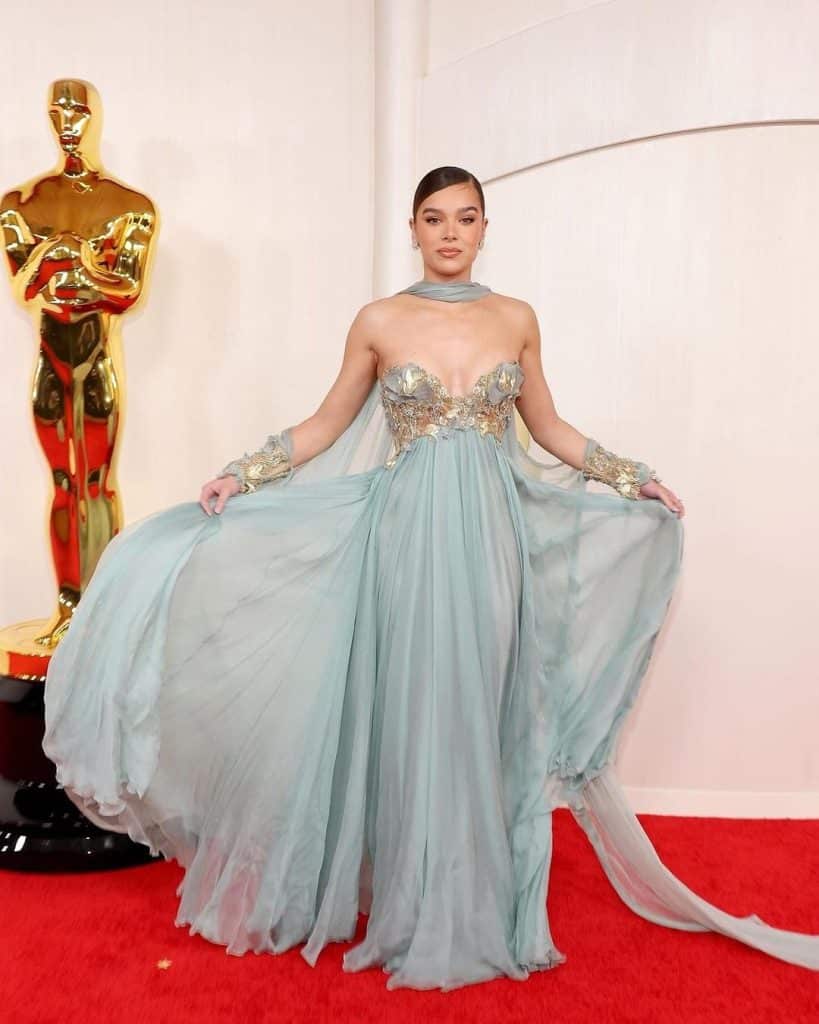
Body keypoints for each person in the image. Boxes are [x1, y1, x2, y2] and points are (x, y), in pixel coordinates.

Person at [42, 166, 817, 991]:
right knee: (414, 702)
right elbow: (326, 422)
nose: (450, 232)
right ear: (412, 228)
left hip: (492, 539)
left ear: (484, 228)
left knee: (477, 702)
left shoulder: (515, 318)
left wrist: (632, 477)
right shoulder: (379, 320)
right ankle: (412, 900)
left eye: (466, 217)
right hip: (404, 537)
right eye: (435, 218)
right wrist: (243, 472)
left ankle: (469, 894)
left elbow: (548, 428)